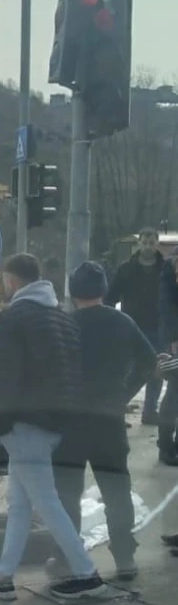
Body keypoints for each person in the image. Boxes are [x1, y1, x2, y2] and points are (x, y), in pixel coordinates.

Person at [0, 254, 108, 602]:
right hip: (53, 421)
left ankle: (86, 573)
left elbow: (4, 373)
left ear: (13, 280)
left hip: (24, 422)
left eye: (5, 279)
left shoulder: (12, 318)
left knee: (45, 502)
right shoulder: (61, 317)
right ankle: (2, 576)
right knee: (19, 503)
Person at [49, 261, 156, 582]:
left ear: (72, 292)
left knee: (67, 493)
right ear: (104, 290)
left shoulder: (64, 325)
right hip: (109, 421)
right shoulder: (123, 322)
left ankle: (68, 559)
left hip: (70, 424)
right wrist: (125, 394)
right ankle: (125, 558)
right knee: (117, 491)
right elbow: (149, 362)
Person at [105, 227, 165, 425]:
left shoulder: (165, 269)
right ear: (139, 243)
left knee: (157, 369)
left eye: (152, 242)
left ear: (157, 244)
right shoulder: (126, 269)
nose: (148, 247)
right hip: (131, 326)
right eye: (145, 242)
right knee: (129, 370)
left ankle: (150, 411)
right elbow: (111, 296)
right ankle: (117, 408)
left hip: (158, 327)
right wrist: (111, 321)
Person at [158, 248, 178, 465]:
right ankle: (165, 446)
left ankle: (168, 445)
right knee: (174, 392)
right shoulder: (172, 266)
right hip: (175, 338)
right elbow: (168, 308)